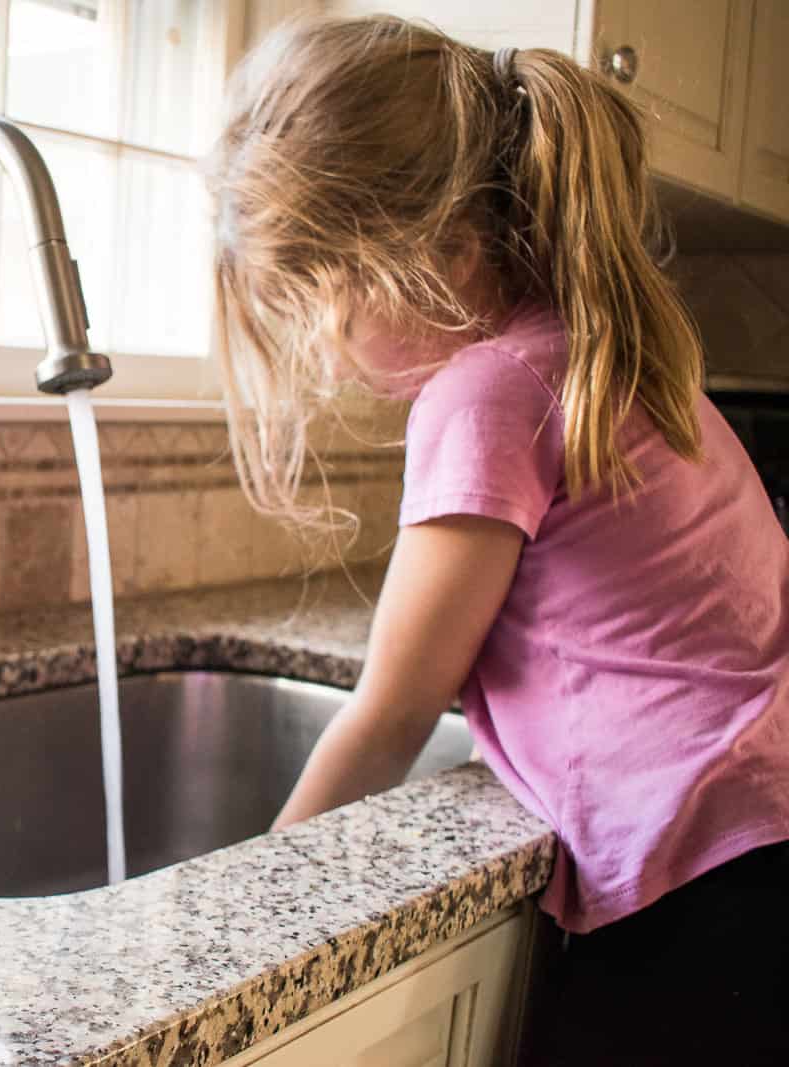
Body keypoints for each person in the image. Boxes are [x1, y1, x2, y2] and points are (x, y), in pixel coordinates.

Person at [206, 15, 789, 1066]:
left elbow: (389, 713)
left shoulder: (484, 393)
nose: (326, 358)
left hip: (694, 900)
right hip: (754, 848)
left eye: (321, 304)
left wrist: (237, 915)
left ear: (431, 256)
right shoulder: (602, 352)